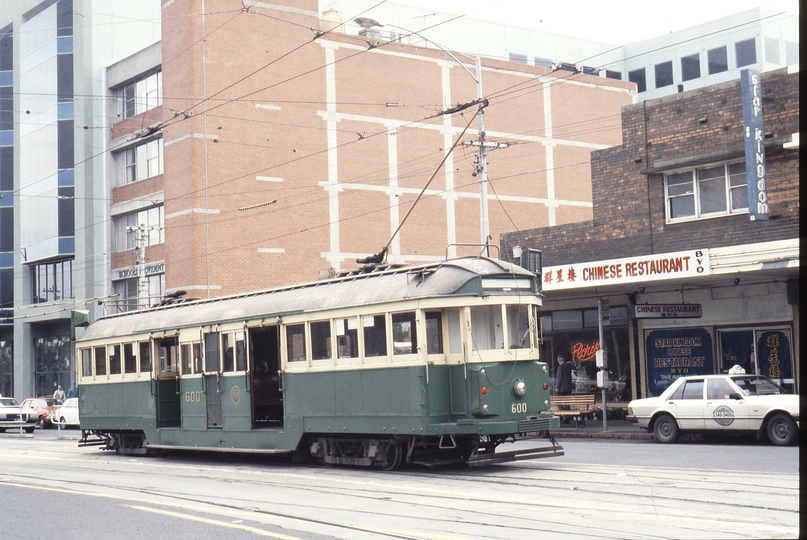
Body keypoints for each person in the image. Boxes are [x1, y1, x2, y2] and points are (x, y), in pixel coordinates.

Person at [555, 355, 573, 421]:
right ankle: (567, 417)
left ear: (559, 360)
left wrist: (557, 388)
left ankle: (565, 415)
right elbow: (570, 377)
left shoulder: (560, 367)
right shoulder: (568, 367)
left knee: (558, 402)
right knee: (567, 403)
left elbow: (559, 378)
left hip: (562, 389)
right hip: (568, 387)